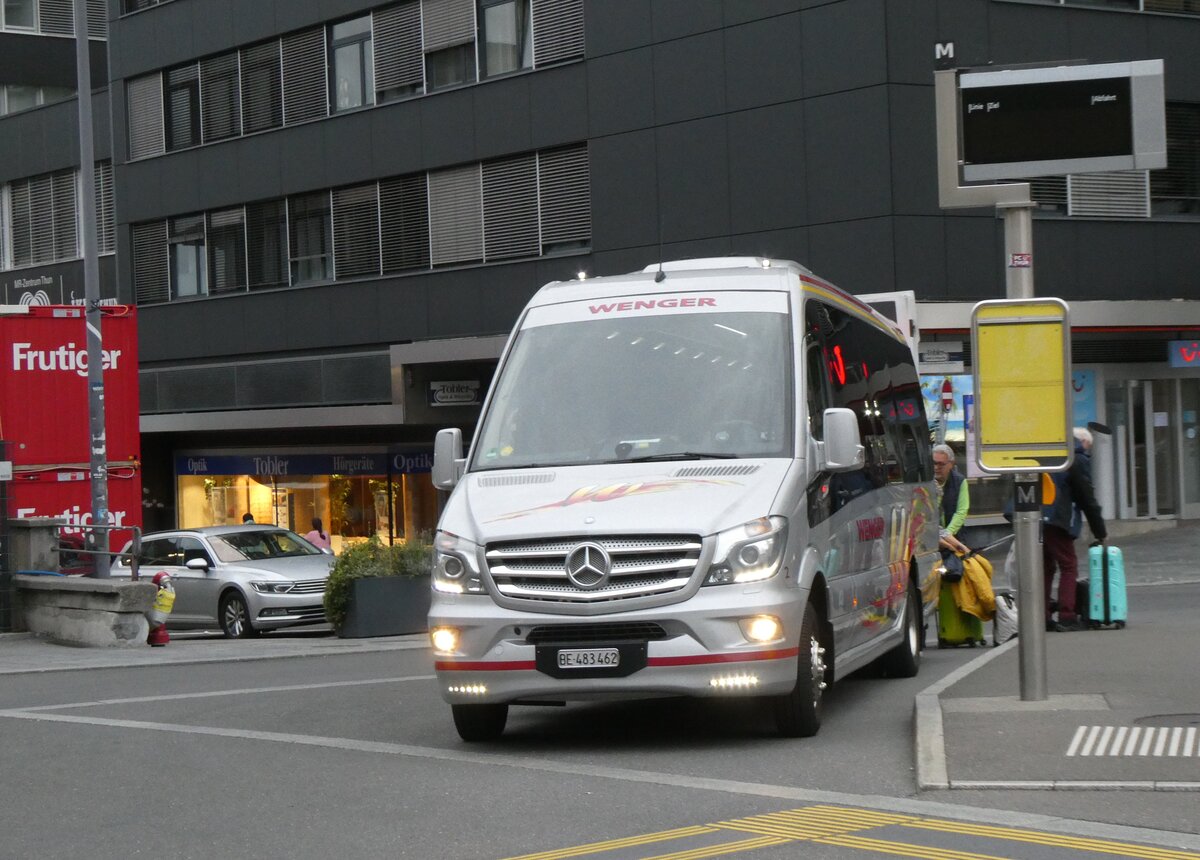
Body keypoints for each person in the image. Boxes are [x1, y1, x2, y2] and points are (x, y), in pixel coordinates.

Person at [1042, 426, 1107, 632]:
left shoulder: (1052, 454)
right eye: (1088, 446)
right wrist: (1100, 532)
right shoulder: (1076, 459)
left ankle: (1042, 615)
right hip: (1058, 520)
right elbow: (1087, 498)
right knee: (1068, 565)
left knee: (1045, 567)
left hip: (1037, 517)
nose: (1087, 451)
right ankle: (1067, 615)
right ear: (1083, 442)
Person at [933, 443, 969, 539]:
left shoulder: (960, 481)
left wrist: (948, 533)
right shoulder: (926, 481)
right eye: (934, 463)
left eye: (941, 464)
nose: (936, 468)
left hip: (954, 536)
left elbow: (961, 511)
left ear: (951, 464)